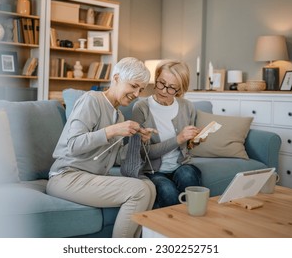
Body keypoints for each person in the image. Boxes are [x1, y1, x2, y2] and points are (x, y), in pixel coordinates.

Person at [46, 57, 156, 238]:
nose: (137, 94)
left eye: (141, 89)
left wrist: (140, 141)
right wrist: (112, 130)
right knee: (139, 190)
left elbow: (118, 157)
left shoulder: (119, 116)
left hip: (89, 177)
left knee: (149, 187)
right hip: (65, 176)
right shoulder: (92, 100)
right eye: (133, 86)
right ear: (116, 78)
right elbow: (73, 144)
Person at [131, 59, 202, 209]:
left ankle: (195, 226)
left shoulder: (187, 106)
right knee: (167, 192)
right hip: (153, 171)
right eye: (161, 83)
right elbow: (142, 153)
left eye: (171, 88)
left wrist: (194, 140)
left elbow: (187, 147)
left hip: (181, 166)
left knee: (189, 177)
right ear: (156, 78)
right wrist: (178, 139)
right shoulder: (141, 108)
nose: (163, 90)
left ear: (180, 89)